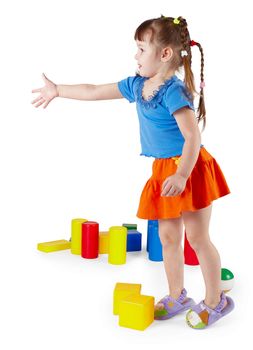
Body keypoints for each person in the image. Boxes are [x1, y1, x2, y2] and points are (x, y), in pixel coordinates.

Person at [31, 15, 234, 329]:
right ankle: (177, 294)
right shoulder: (137, 86)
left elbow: (193, 137)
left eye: (141, 49)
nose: (135, 56)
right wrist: (58, 89)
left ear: (164, 54)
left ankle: (214, 300)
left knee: (196, 237)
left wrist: (181, 175)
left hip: (188, 167)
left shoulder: (173, 92)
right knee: (168, 237)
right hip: (163, 170)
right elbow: (95, 90)